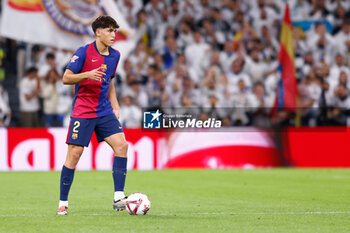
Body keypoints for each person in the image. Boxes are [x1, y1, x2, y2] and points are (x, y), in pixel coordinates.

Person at [57, 16, 129, 215]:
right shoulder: (83, 52)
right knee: (74, 155)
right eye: (109, 30)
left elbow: (110, 81)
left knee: (122, 145)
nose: (113, 35)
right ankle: (63, 202)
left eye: (115, 31)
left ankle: (118, 198)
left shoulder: (115, 55)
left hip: (104, 110)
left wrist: (115, 105)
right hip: (83, 111)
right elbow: (66, 78)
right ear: (98, 32)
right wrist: (87, 74)